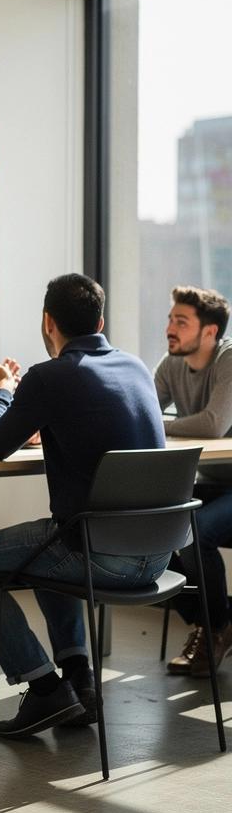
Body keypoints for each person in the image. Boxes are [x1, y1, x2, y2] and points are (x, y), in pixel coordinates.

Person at [0, 273, 167, 739]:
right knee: (49, 538)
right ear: (100, 319)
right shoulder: (136, 367)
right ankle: (80, 679)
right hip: (161, 553)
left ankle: (43, 688)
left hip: (103, 556)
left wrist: (4, 387)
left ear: (47, 322)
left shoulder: (49, 376)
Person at [154, 285, 232, 676]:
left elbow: (214, 424)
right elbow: (141, 414)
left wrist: (165, 427)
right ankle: (216, 621)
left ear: (210, 332)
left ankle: (215, 628)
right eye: (170, 319)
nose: (170, 328)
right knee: (146, 523)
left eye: (181, 322)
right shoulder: (172, 363)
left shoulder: (229, 359)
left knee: (195, 531)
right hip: (212, 483)